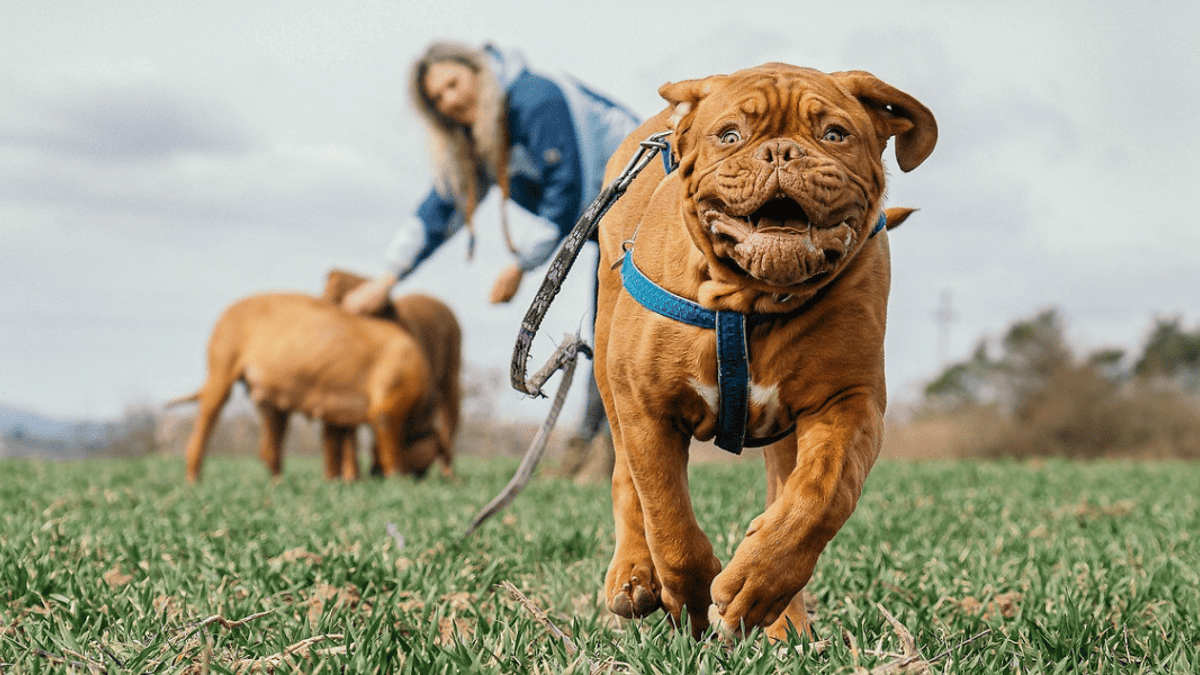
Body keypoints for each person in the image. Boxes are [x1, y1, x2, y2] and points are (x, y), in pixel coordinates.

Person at [344, 41, 640, 476]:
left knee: (618, 330)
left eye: (453, 83)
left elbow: (569, 187)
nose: (449, 100)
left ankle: (606, 451)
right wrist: (388, 276)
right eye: (437, 98)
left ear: (478, 73)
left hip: (649, 205)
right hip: (610, 227)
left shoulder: (537, 100)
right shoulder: (485, 135)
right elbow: (445, 204)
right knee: (607, 327)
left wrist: (522, 265)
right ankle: (591, 448)